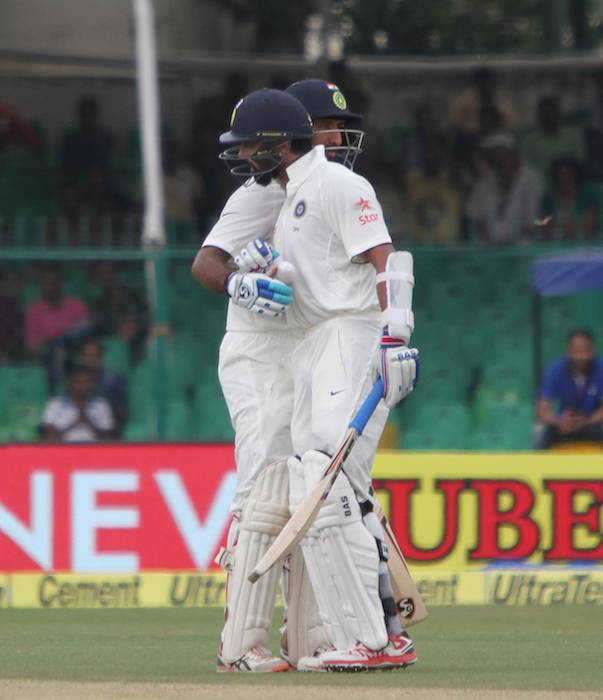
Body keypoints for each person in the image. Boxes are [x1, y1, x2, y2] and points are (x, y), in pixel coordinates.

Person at [195, 87, 419, 672]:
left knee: (321, 478)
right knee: (288, 485)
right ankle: (257, 644)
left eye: (250, 144)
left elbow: (386, 259)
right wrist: (242, 281)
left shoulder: (334, 186)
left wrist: (396, 333)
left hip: (334, 337)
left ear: (280, 139)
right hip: (279, 347)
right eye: (328, 123)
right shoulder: (267, 193)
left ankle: (346, 637)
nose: (338, 135)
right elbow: (210, 263)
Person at [467, 131, 542, 244]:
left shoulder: (530, 179)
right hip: (489, 251)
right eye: (492, 154)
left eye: (500, 153)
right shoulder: (483, 183)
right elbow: (477, 218)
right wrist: (487, 241)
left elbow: (535, 220)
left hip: (522, 249)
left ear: (512, 154)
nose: (496, 158)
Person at [25, 265, 93, 391]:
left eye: (53, 283)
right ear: (41, 286)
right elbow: (33, 346)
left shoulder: (76, 305)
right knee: (56, 351)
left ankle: (59, 345)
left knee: (82, 329)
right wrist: (50, 346)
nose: (50, 287)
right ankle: (56, 389)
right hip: (48, 356)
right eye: (46, 283)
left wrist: (59, 342)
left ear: (61, 284)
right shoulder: (34, 311)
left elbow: (86, 332)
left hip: (76, 352)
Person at [535, 330, 603, 449]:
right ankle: (539, 466)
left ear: (592, 351)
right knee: (540, 431)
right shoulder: (555, 370)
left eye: (585, 351)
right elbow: (542, 409)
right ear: (568, 351)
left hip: (592, 423)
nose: (581, 356)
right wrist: (559, 422)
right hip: (563, 424)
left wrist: (586, 421)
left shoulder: (600, 369)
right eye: (576, 351)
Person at [39, 365, 115, 442]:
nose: (83, 386)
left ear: (92, 384)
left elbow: (108, 439)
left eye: (87, 382)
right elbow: (48, 437)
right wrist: (74, 423)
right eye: (79, 382)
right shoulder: (55, 404)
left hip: (93, 450)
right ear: (70, 383)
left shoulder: (101, 405)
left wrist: (89, 422)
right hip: (63, 450)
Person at [523, 97, 585, 182]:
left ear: (558, 114)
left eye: (551, 114)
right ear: (539, 117)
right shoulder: (530, 141)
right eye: (545, 115)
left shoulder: (573, 135)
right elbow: (527, 169)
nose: (549, 118)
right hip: (541, 186)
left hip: (571, 184)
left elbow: (580, 162)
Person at [76, 338, 129, 437]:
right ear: (81, 358)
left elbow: (122, 410)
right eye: (87, 355)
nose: (91, 359)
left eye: (94, 355)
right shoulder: (74, 380)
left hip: (107, 433)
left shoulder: (113, 380)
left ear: (100, 358)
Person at [539, 158, 599, 241]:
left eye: (569, 174)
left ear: (576, 175)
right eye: (562, 174)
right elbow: (544, 227)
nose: (565, 177)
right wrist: (564, 230)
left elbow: (590, 227)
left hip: (584, 245)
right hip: (554, 245)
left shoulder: (588, 196)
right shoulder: (547, 199)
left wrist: (573, 230)